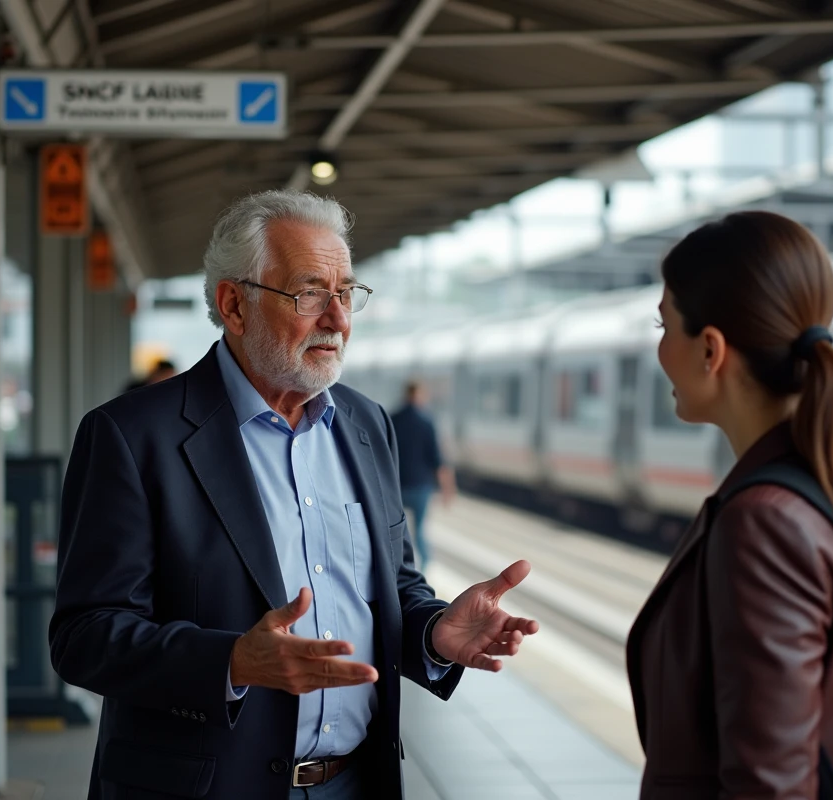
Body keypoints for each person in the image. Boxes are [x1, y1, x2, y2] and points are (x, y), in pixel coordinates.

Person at [50, 190, 539, 800]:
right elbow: (84, 637)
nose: (337, 320)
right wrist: (231, 662)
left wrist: (433, 631)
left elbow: (392, 589)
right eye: (310, 294)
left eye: (346, 293)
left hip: (357, 783)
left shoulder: (367, 426)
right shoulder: (130, 435)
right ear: (234, 305)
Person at [626, 211, 833, 800]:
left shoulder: (766, 521)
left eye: (664, 326)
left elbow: (768, 786)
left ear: (711, 350)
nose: (660, 350)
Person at [390, 380, 455, 568]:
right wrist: (447, 488)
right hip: (421, 486)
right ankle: (424, 568)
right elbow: (437, 458)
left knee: (396, 529)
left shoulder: (392, 418)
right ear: (420, 395)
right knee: (419, 529)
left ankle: (398, 566)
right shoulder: (427, 422)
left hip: (397, 485)